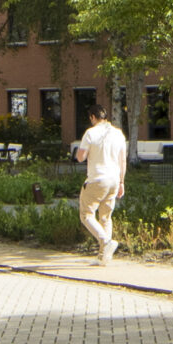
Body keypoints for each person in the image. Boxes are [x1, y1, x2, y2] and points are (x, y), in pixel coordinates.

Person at [73, 105, 129, 263]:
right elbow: (122, 160)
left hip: (97, 179)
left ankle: (106, 241)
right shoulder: (118, 134)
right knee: (105, 217)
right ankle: (103, 258)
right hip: (114, 180)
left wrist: (82, 150)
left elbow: (80, 157)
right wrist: (121, 182)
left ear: (92, 117)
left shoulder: (90, 133)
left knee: (86, 215)